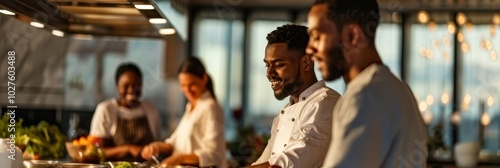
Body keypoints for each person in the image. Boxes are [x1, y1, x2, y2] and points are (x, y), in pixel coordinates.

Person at [306, 0, 428, 167]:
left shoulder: (365, 96)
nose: (309, 49)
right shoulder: (396, 89)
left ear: (353, 36)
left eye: (317, 37)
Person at [249, 24, 341, 168]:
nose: (269, 73)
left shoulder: (324, 103)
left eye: (279, 65)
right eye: (268, 65)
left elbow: (289, 164)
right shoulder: (282, 115)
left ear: (306, 62)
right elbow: (262, 162)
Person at [141, 57, 226, 168]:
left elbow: (215, 154)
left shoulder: (210, 107)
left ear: (204, 78)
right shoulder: (191, 106)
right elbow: (174, 143)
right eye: (183, 85)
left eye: (192, 84)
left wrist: (178, 158)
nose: (187, 90)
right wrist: (156, 146)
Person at [89, 62, 161, 161]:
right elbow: (95, 152)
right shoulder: (105, 110)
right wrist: (128, 149)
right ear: (117, 86)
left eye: (136, 85)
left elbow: (158, 147)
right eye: (125, 85)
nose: (131, 90)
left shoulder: (151, 111)